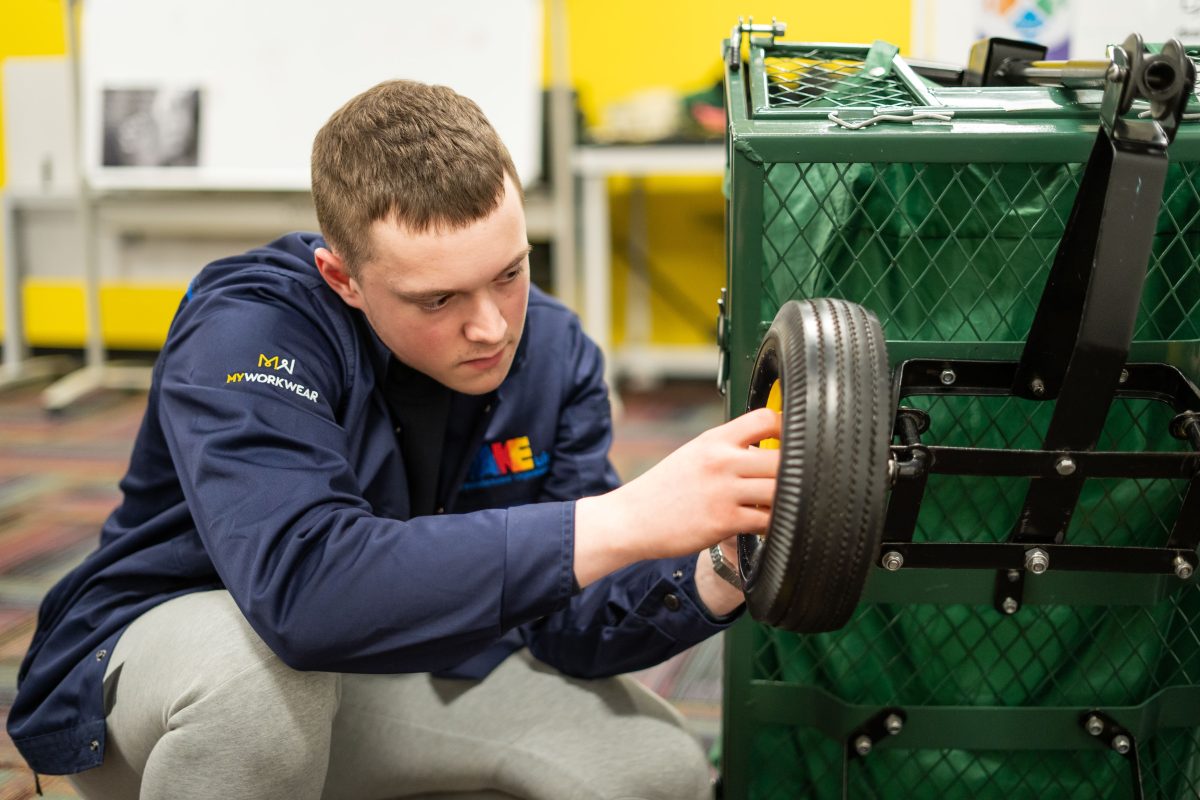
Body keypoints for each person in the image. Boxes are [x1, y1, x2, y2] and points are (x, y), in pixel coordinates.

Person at [8, 79, 780, 800]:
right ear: (342, 278)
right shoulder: (249, 325)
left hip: (380, 666)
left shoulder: (552, 348)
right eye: (438, 297)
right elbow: (306, 592)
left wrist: (718, 569)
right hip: (178, 673)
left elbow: (565, 623)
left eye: (510, 274)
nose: (492, 327)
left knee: (655, 768)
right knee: (255, 688)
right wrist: (624, 520)